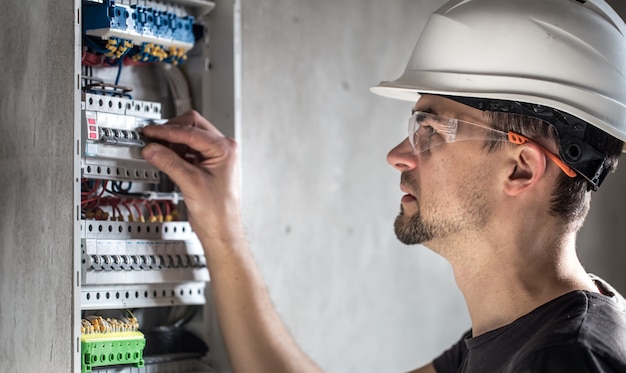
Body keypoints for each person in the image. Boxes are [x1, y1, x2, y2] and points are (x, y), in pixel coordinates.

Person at [140, 0, 626, 371]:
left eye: (431, 131)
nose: (399, 155)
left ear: (520, 168)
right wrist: (221, 227)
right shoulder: (520, 334)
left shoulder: (567, 359)